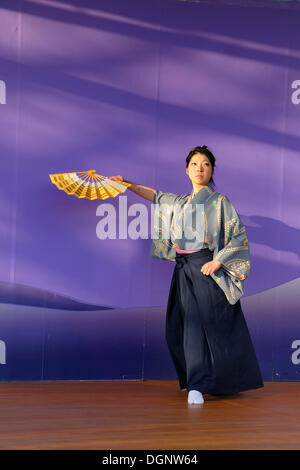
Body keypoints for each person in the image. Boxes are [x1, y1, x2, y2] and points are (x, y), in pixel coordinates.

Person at [109, 145, 264, 405]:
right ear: (186, 170)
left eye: (205, 164)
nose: (199, 168)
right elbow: (156, 196)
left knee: (204, 327)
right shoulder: (181, 202)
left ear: (212, 170)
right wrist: (126, 185)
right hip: (183, 268)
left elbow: (238, 235)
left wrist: (218, 261)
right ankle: (201, 379)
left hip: (205, 267)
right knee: (177, 326)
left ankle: (198, 384)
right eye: (194, 164)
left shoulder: (219, 201)